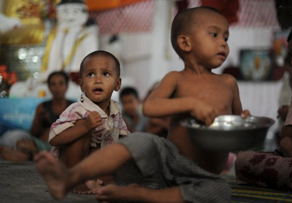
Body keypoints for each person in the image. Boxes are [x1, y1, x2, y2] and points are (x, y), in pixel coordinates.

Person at [35, 6, 250, 202]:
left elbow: (238, 124)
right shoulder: (177, 78)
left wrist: (245, 121)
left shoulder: (228, 82)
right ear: (185, 43)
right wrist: (191, 104)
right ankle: (70, 177)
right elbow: (149, 107)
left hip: (203, 175)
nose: (223, 42)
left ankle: (140, 194)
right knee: (141, 140)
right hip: (169, 160)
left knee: (221, 191)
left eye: (226, 37)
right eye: (214, 34)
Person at [235, 21, 292, 190]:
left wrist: (288, 115)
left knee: (243, 160)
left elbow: (288, 138)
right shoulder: (290, 85)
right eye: (291, 57)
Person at [47, 50, 129, 193]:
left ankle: (94, 180)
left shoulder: (115, 109)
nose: (98, 80)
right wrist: (85, 126)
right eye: (90, 74)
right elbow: (53, 138)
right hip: (67, 166)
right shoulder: (77, 110)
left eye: (105, 74)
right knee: (82, 130)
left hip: (94, 167)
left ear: (117, 84)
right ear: (81, 84)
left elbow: (124, 136)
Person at [0, 71, 74, 161]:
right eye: (53, 84)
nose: (57, 87)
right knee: (22, 145)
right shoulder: (42, 107)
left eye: (61, 83)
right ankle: (35, 155)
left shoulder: (74, 107)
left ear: (66, 86)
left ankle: (34, 156)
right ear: (49, 87)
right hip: (41, 143)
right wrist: (40, 119)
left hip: (63, 145)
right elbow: (34, 133)